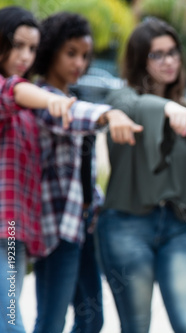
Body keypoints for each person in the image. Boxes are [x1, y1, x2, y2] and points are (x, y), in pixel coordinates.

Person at [30, 12, 142, 333]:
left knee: (92, 319)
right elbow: (69, 116)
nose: (79, 63)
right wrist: (110, 114)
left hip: (82, 226)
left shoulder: (71, 97)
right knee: (51, 321)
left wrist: (96, 202)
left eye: (84, 55)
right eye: (71, 53)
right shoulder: (42, 98)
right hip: (55, 229)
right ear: (50, 50)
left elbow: (83, 170)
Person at [95, 17, 186, 333]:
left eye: (172, 52)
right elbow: (130, 104)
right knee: (136, 327)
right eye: (157, 54)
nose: (168, 61)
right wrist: (167, 110)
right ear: (139, 59)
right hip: (126, 226)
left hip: (176, 227)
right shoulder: (122, 101)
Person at [0, 6, 77, 332]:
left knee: (10, 317)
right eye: (17, 45)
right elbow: (11, 91)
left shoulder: (30, 113)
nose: (25, 56)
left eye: (32, 48)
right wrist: (50, 100)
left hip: (16, 232)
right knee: (9, 322)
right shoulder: (18, 93)